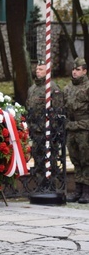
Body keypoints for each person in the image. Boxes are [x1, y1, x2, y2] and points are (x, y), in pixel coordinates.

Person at [26, 59, 64, 187]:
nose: (37, 71)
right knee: (37, 159)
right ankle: (40, 185)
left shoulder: (52, 88)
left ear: (48, 71)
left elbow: (58, 110)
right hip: (35, 132)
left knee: (50, 160)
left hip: (48, 132)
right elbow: (29, 108)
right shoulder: (32, 88)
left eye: (41, 69)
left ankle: (50, 185)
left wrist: (53, 130)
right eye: (37, 69)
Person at [64, 57, 89, 203]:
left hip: (84, 130)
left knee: (86, 160)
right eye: (73, 69)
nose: (75, 72)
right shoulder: (68, 88)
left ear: (84, 71)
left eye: (78, 69)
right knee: (75, 159)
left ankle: (86, 190)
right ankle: (78, 189)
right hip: (71, 129)